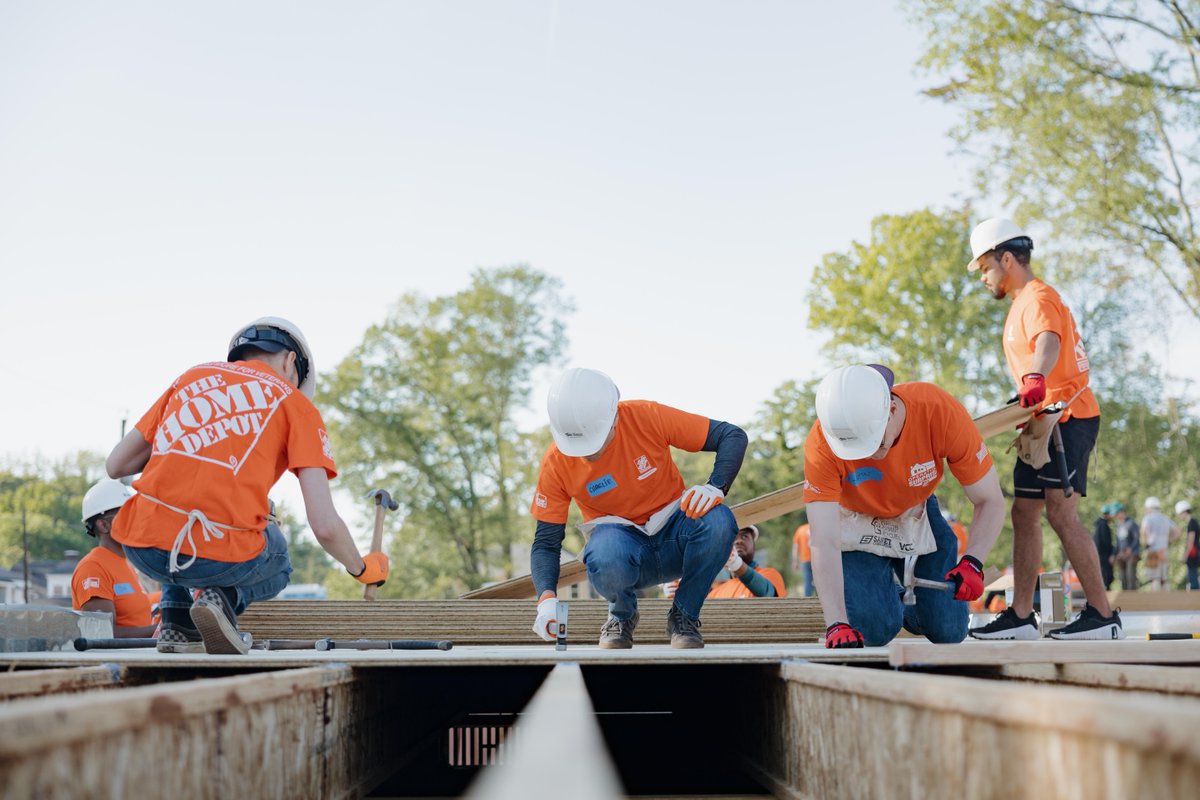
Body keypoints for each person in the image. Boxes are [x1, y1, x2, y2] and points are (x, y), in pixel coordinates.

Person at [106, 317, 389, 655]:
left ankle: (177, 621)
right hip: (214, 558)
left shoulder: (192, 378)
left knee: (176, 513)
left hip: (141, 546)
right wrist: (362, 568)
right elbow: (325, 526)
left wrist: (184, 450)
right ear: (290, 361)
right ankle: (222, 599)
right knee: (276, 552)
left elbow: (116, 465)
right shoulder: (296, 405)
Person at [966, 219, 1122, 640]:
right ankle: (1020, 616)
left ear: (1007, 259)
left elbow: (1048, 341)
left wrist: (1035, 377)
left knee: (1060, 512)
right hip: (1042, 421)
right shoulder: (1020, 304)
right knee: (1023, 511)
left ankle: (1102, 615)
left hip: (1068, 417)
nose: (983, 278)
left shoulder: (1038, 297)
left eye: (985, 268)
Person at [528, 368, 746, 649]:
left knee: (718, 521)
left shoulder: (647, 417)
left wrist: (716, 486)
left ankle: (684, 615)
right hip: (619, 550)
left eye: (593, 442)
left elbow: (732, 435)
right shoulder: (556, 462)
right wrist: (546, 599)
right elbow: (545, 543)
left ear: (614, 417)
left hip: (675, 536)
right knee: (604, 550)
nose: (586, 453)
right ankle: (622, 616)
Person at [802, 365, 1004, 648]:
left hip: (915, 509)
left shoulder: (937, 410)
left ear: (892, 409)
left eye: (875, 443)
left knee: (948, 630)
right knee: (873, 631)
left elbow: (990, 500)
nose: (868, 455)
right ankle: (882, 599)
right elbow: (823, 541)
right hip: (855, 518)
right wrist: (836, 622)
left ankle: (898, 602)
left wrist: (973, 560)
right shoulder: (823, 442)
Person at [71, 478, 158, 639]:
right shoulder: (93, 567)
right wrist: (160, 630)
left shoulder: (125, 563)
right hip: (119, 656)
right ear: (103, 525)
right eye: (126, 515)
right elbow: (101, 634)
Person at [708, 525, 786, 598]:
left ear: (754, 544)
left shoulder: (769, 574)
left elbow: (768, 594)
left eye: (745, 536)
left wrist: (736, 564)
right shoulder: (715, 592)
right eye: (733, 537)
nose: (739, 541)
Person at [1140, 496, 1179, 591]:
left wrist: (1145, 543)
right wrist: (1169, 541)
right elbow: (1177, 531)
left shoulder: (1147, 518)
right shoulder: (1164, 518)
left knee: (1155, 577)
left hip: (1153, 550)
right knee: (1164, 577)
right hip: (1164, 550)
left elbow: (1144, 531)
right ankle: (1167, 598)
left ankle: (1155, 599)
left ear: (1149, 507)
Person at [1112, 503, 1140, 591]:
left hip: (1131, 554)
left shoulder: (1131, 523)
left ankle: (1132, 594)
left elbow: (1136, 538)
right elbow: (1117, 542)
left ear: (1122, 512)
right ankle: (1124, 594)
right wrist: (1114, 554)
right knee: (1122, 576)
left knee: (1130, 575)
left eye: (1117, 513)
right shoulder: (1118, 525)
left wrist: (1131, 548)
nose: (1116, 516)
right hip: (1121, 554)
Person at [1092, 503, 1115, 590]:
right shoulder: (1103, 525)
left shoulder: (1097, 525)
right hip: (1104, 556)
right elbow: (1106, 542)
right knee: (1106, 576)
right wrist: (1112, 552)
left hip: (1098, 555)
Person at [790, 517, 815, 597]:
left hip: (805, 559)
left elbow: (795, 547)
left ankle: (808, 599)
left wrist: (795, 561)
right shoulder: (815, 528)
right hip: (816, 559)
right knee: (819, 581)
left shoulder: (800, 530)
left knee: (807, 581)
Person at [1178, 500, 1199, 591]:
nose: (1179, 516)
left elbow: (1191, 541)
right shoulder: (1193, 522)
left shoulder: (1191, 523)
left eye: (1180, 514)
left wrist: (1185, 556)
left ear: (1184, 512)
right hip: (1195, 551)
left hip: (1193, 553)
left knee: (1192, 576)